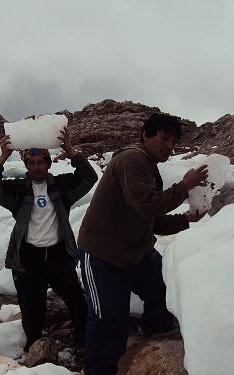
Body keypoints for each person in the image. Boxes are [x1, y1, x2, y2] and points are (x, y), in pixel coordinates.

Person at [76, 113, 209, 375]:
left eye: (174, 141)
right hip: (103, 255)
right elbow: (147, 204)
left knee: (163, 290)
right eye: (164, 138)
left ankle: (153, 332)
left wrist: (186, 219)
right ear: (146, 135)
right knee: (109, 321)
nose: (170, 146)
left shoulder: (148, 165)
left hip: (137, 252)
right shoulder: (132, 159)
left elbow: (149, 220)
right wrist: (184, 187)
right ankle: (98, 370)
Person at [0, 128, 98, 351]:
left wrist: (72, 152)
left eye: (41, 162)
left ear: (48, 163)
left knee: (77, 303)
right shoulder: (16, 189)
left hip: (58, 256)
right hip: (28, 258)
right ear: (26, 165)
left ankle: (83, 346)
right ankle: (36, 352)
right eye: (31, 162)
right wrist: (3, 157)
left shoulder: (62, 186)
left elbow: (89, 178)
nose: (36, 167)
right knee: (32, 311)